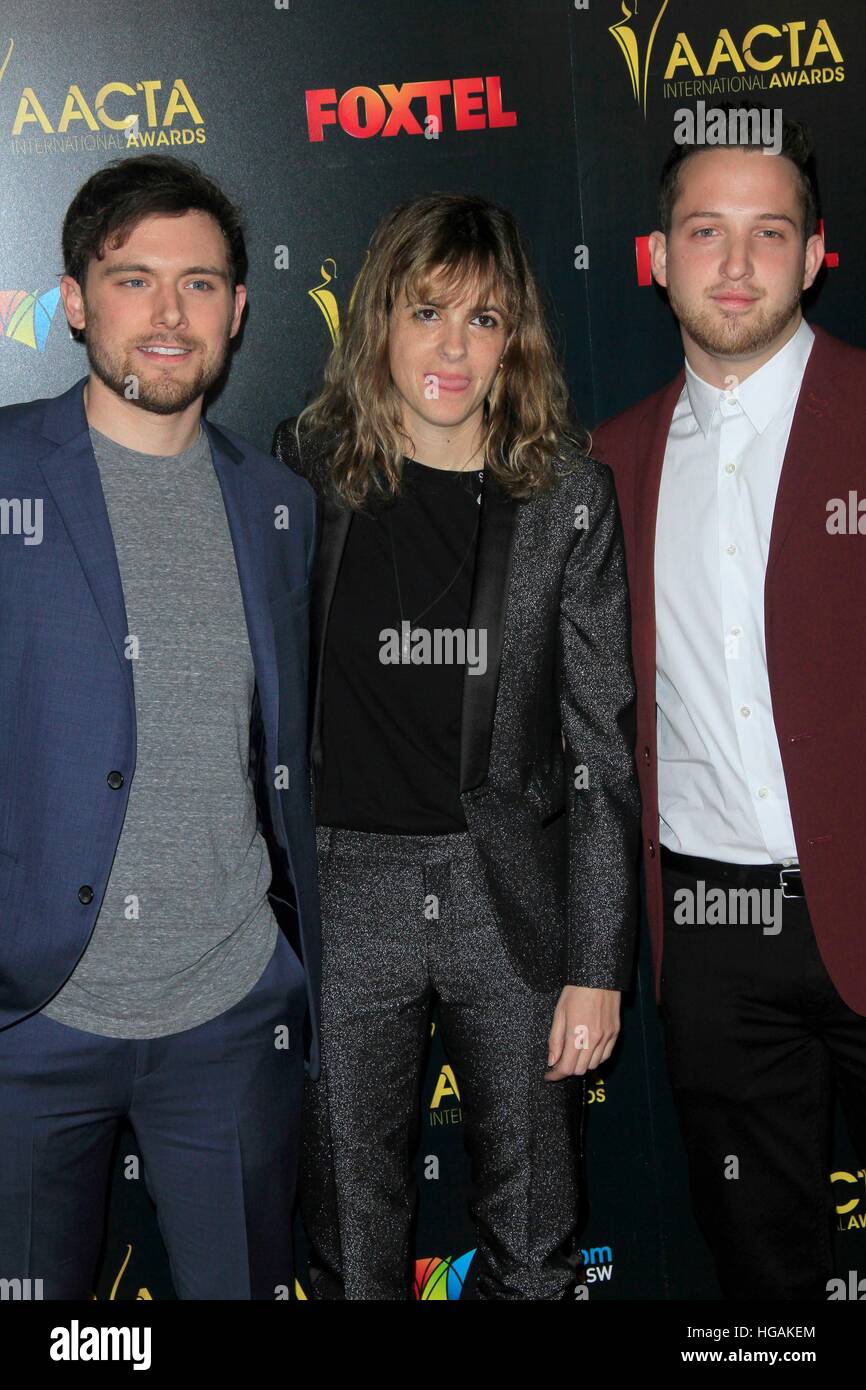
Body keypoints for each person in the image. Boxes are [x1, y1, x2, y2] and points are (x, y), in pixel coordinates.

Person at [273, 192, 640, 1300]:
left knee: (534, 1248)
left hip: (507, 895)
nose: (450, 347)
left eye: (482, 321)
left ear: (512, 341)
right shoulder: (305, 471)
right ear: (381, 315)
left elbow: (601, 743)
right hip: (346, 889)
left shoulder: (565, 495)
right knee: (351, 1242)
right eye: (427, 311)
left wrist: (595, 962)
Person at [0, 154, 320, 1299]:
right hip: (28, 1023)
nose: (168, 314)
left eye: (199, 283)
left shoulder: (280, 504)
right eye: (133, 280)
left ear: (238, 308)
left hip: (231, 1015)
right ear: (77, 300)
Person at [591, 108, 866, 1300]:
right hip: (710, 936)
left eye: (770, 232)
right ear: (656, 258)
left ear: (814, 255)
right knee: (760, 1276)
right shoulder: (603, 465)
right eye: (705, 231)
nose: (738, 264)